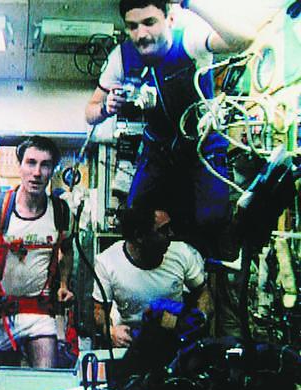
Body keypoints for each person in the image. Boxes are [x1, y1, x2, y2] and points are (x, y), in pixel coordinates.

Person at [85, 0, 255, 256]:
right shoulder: (121, 57)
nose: (141, 34)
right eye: (132, 26)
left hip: (202, 147)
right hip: (158, 150)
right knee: (136, 219)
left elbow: (244, 40)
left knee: (211, 221)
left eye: (149, 22)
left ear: (170, 19)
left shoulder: (188, 40)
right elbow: (90, 113)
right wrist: (106, 108)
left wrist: (189, 2)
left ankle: (205, 268)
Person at [0, 136, 74, 368]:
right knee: (3, 382)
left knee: (45, 380)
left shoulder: (61, 212)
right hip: (1, 312)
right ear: (19, 166)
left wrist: (63, 284)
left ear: (52, 170)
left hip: (41, 313)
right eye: (31, 163)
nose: (37, 172)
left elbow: (67, 250)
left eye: (45, 165)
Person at [93, 205, 213, 347]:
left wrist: (200, 318)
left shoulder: (182, 253)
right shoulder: (107, 262)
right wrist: (110, 331)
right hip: (132, 343)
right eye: (163, 230)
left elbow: (203, 292)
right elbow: (99, 310)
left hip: (173, 338)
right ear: (139, 236)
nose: (171, 234)